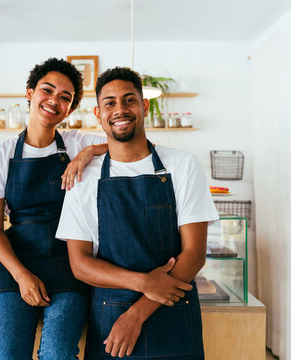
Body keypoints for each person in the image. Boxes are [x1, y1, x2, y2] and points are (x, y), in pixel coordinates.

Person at [56, 67, 219, 359]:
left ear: (144, 106)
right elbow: (80, 264)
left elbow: (194, 254)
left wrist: (137, 314)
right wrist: (145, 282)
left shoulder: (182, 165)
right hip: (110, 323)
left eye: (129, 100)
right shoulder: (83, 179)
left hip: (172, 313)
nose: (120, 109)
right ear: (98, 113)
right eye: (110, 103)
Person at [0, 57, 107, 360]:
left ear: (71, 109)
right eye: (47, 90)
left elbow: (132, 142)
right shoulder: (0, 154)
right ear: (30, 92)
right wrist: (22, 276)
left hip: (69, 262)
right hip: (14, 264)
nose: (54, 101)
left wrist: (87, 153)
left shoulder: (76, 143)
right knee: (9, 354)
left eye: (65, 97)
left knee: (58, 354)